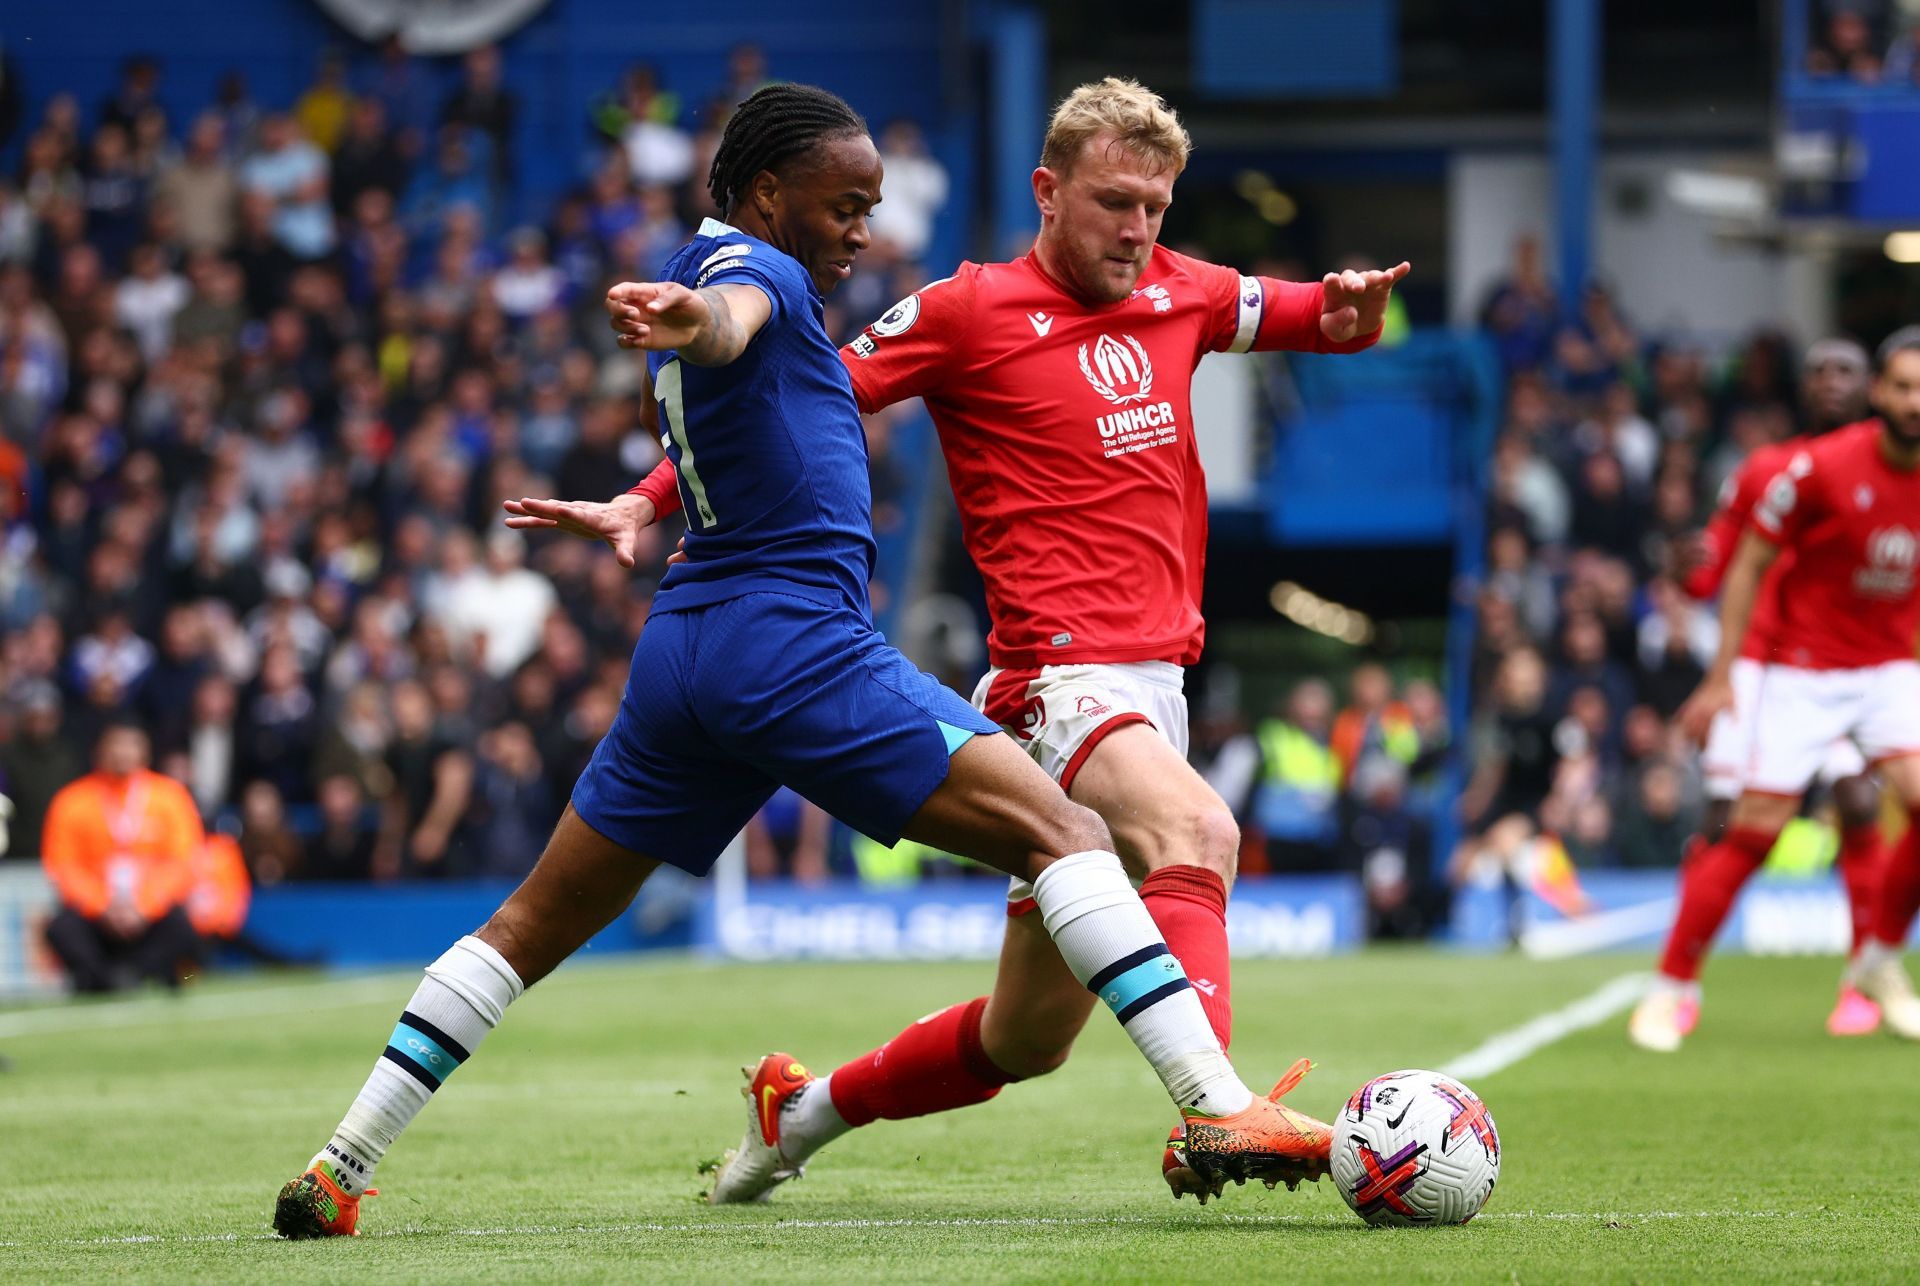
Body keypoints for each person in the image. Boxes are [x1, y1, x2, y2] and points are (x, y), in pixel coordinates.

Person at [275, 84, 1323, 1240]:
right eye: (845, 204)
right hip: (794, 640)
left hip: (689, 644)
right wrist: (695, 318)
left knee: (526, 927)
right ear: (772, 194)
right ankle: (1216, 1100)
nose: (862, 230)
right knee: (1070, 834)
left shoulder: (744, 270)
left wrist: (643, 482)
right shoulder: (754, 271)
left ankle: (341, 1162)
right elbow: (731, 316)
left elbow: (729, 340)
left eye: (871, 207)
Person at [610, 77, 1403, 1204]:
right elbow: (791, 398)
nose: (1139, 230)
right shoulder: (968, 310)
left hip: (1156, 686)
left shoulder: (1180, 288)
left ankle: (803, 1109)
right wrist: (653, 494)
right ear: (1048, 189)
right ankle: (1217, 1109)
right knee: (1199, 828)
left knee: (1024, 1039)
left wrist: (1343, 311)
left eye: (1157, 208)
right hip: (1057, 680)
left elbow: (1296, 310)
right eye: (1116, 202)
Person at [1631, 329, 1920, 1052]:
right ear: (1883, 394)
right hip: (1789, 669)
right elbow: (1730, 564)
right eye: (1905, 387)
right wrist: (1721, 669)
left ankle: (1876, 967)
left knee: (1868, 803)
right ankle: (1673, 988)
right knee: (1747, 827)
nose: (1831, 381)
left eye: (1843, 369)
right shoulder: (1795, 470)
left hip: (1886, 666)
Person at [40, 723, 205, 993]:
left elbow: (183, 861)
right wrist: (103, 906)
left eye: (131, 744)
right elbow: (63, 865)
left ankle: (136, 975)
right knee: (61, 929)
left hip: (150, 913)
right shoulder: (71, 801)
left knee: (182, 927)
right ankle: (102, 978)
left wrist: (144, 906)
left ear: (146, 751)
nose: (122, 752)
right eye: (115, 744)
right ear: (99, 751)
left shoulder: (170, 797)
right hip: (98, 916)